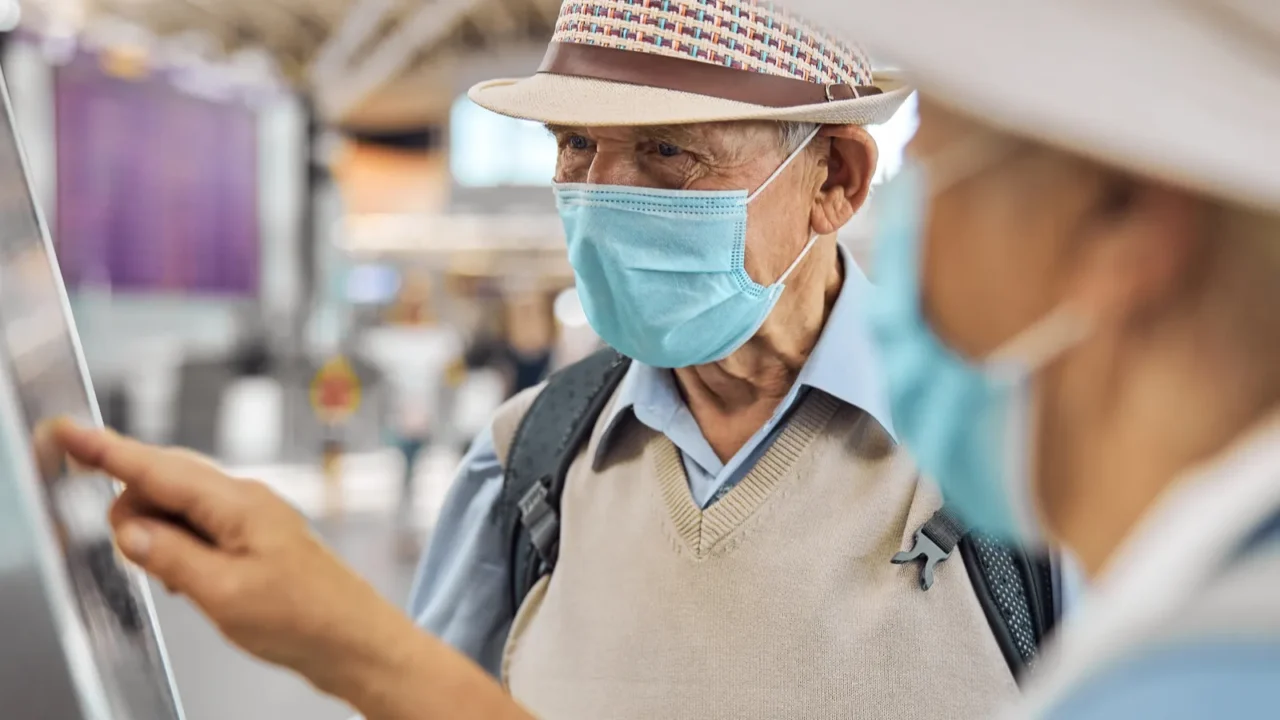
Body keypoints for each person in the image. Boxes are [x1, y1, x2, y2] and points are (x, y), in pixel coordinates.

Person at [50, 1, 1063, 718]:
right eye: (575, 148)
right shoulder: (530, 461)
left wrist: (344, 638)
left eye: (667, 152)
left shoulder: (1022, 464)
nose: (596, 195)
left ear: (834, 179)